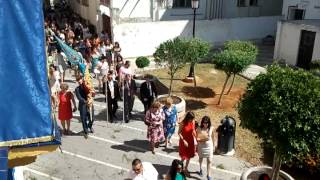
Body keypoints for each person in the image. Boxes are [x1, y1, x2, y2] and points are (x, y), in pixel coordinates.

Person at [178, 111, 197, 177]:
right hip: (184, 141)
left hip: (190, 140)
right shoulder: (182, 123)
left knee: (189, 156)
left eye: (192, 119)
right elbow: (179, 133)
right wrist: (184, 141)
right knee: (184, 156)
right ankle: (179, 167)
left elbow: (193, 130)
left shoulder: (193, 121)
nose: (191, 120)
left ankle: (186, 168)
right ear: (187, 118)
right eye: (190, 119)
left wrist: (196, 136)